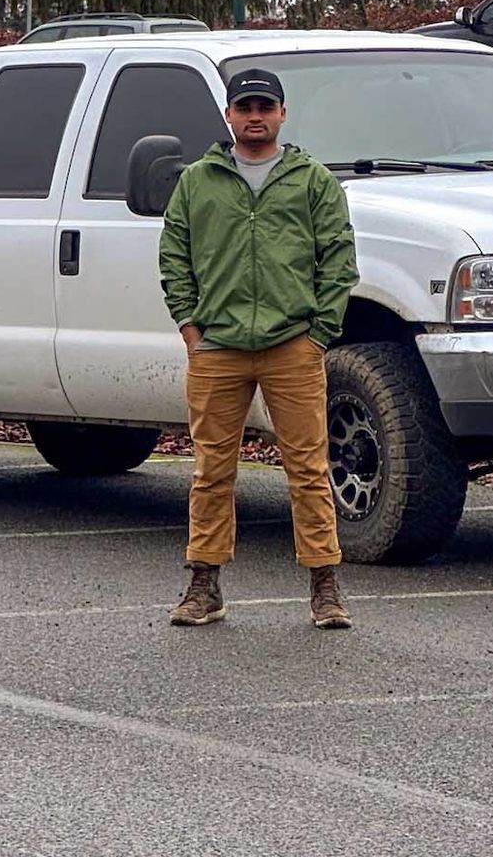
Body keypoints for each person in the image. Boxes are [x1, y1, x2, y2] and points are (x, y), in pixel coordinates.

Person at [156, 67, 360, 629]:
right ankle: (204, 584)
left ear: (282, 113)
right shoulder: (198, 181)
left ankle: (325, 586)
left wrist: (318, 331)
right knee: (211, 470)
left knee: (309, 467)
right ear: (228, 115)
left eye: (265, 107)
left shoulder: (312, 180)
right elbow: (174, 253)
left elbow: (339, 260)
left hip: (291, 344)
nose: (255, 116)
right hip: (217, 346)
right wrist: (190, 325)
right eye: (244, 107)